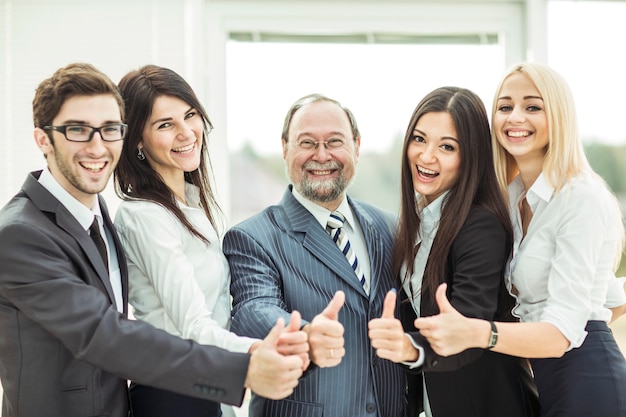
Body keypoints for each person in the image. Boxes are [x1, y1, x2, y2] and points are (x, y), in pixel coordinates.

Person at [0, 62, 306, 417]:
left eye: (109, 129)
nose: (97, 147)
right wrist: (247, 364)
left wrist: (287, 342)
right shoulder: (20, 233)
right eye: (78, 130)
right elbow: (104, 333)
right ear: (43, 139)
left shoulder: (99, 217)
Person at [414, 63, 626, 417]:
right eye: (505, 106)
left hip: (588, 385)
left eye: (532, 107)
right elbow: (612, 299)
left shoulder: (581, 198)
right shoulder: (513, 198)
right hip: (548, 381)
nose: (515, 118)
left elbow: (561, 335)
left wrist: (477, 333)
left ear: (558, 116)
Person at [112, 64, 309, 417]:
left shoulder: (195, 204)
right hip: (171, 393)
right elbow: (193, 326)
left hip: (208, 386)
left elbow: (222, 310)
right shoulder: (143, 216)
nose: (187, 132)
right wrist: (261, 350)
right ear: (137, 140)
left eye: (190, 115)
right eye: (165, 124)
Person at [222, 94, 406, 417]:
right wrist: (305, 334)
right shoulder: (252, 237)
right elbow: (253, 310)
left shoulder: (390, 227)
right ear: (285, 149)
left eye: (334, 141)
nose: (322, 155)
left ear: (357, 147)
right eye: (307, 143)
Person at [367, 86, 538, 417]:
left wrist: (410, 348)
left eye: (447, 146)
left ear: (470, 156)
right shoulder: (417, 222)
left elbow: (467, 324)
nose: (426, 156)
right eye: (419, 139)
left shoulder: (480, 225)